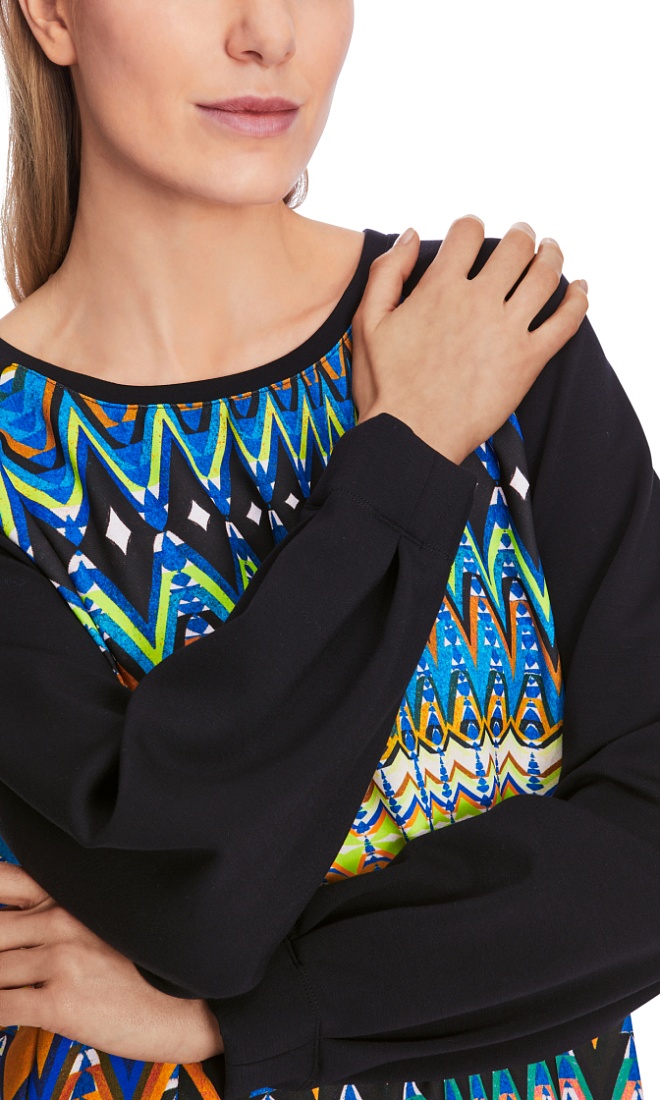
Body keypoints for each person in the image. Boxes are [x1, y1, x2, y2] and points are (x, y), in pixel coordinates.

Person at [0, 2, 657, 1100]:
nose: (268, 31)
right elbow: (193, 888)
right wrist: (411, 454)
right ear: (54, 13)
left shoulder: (490, 328)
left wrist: (241, 1019)